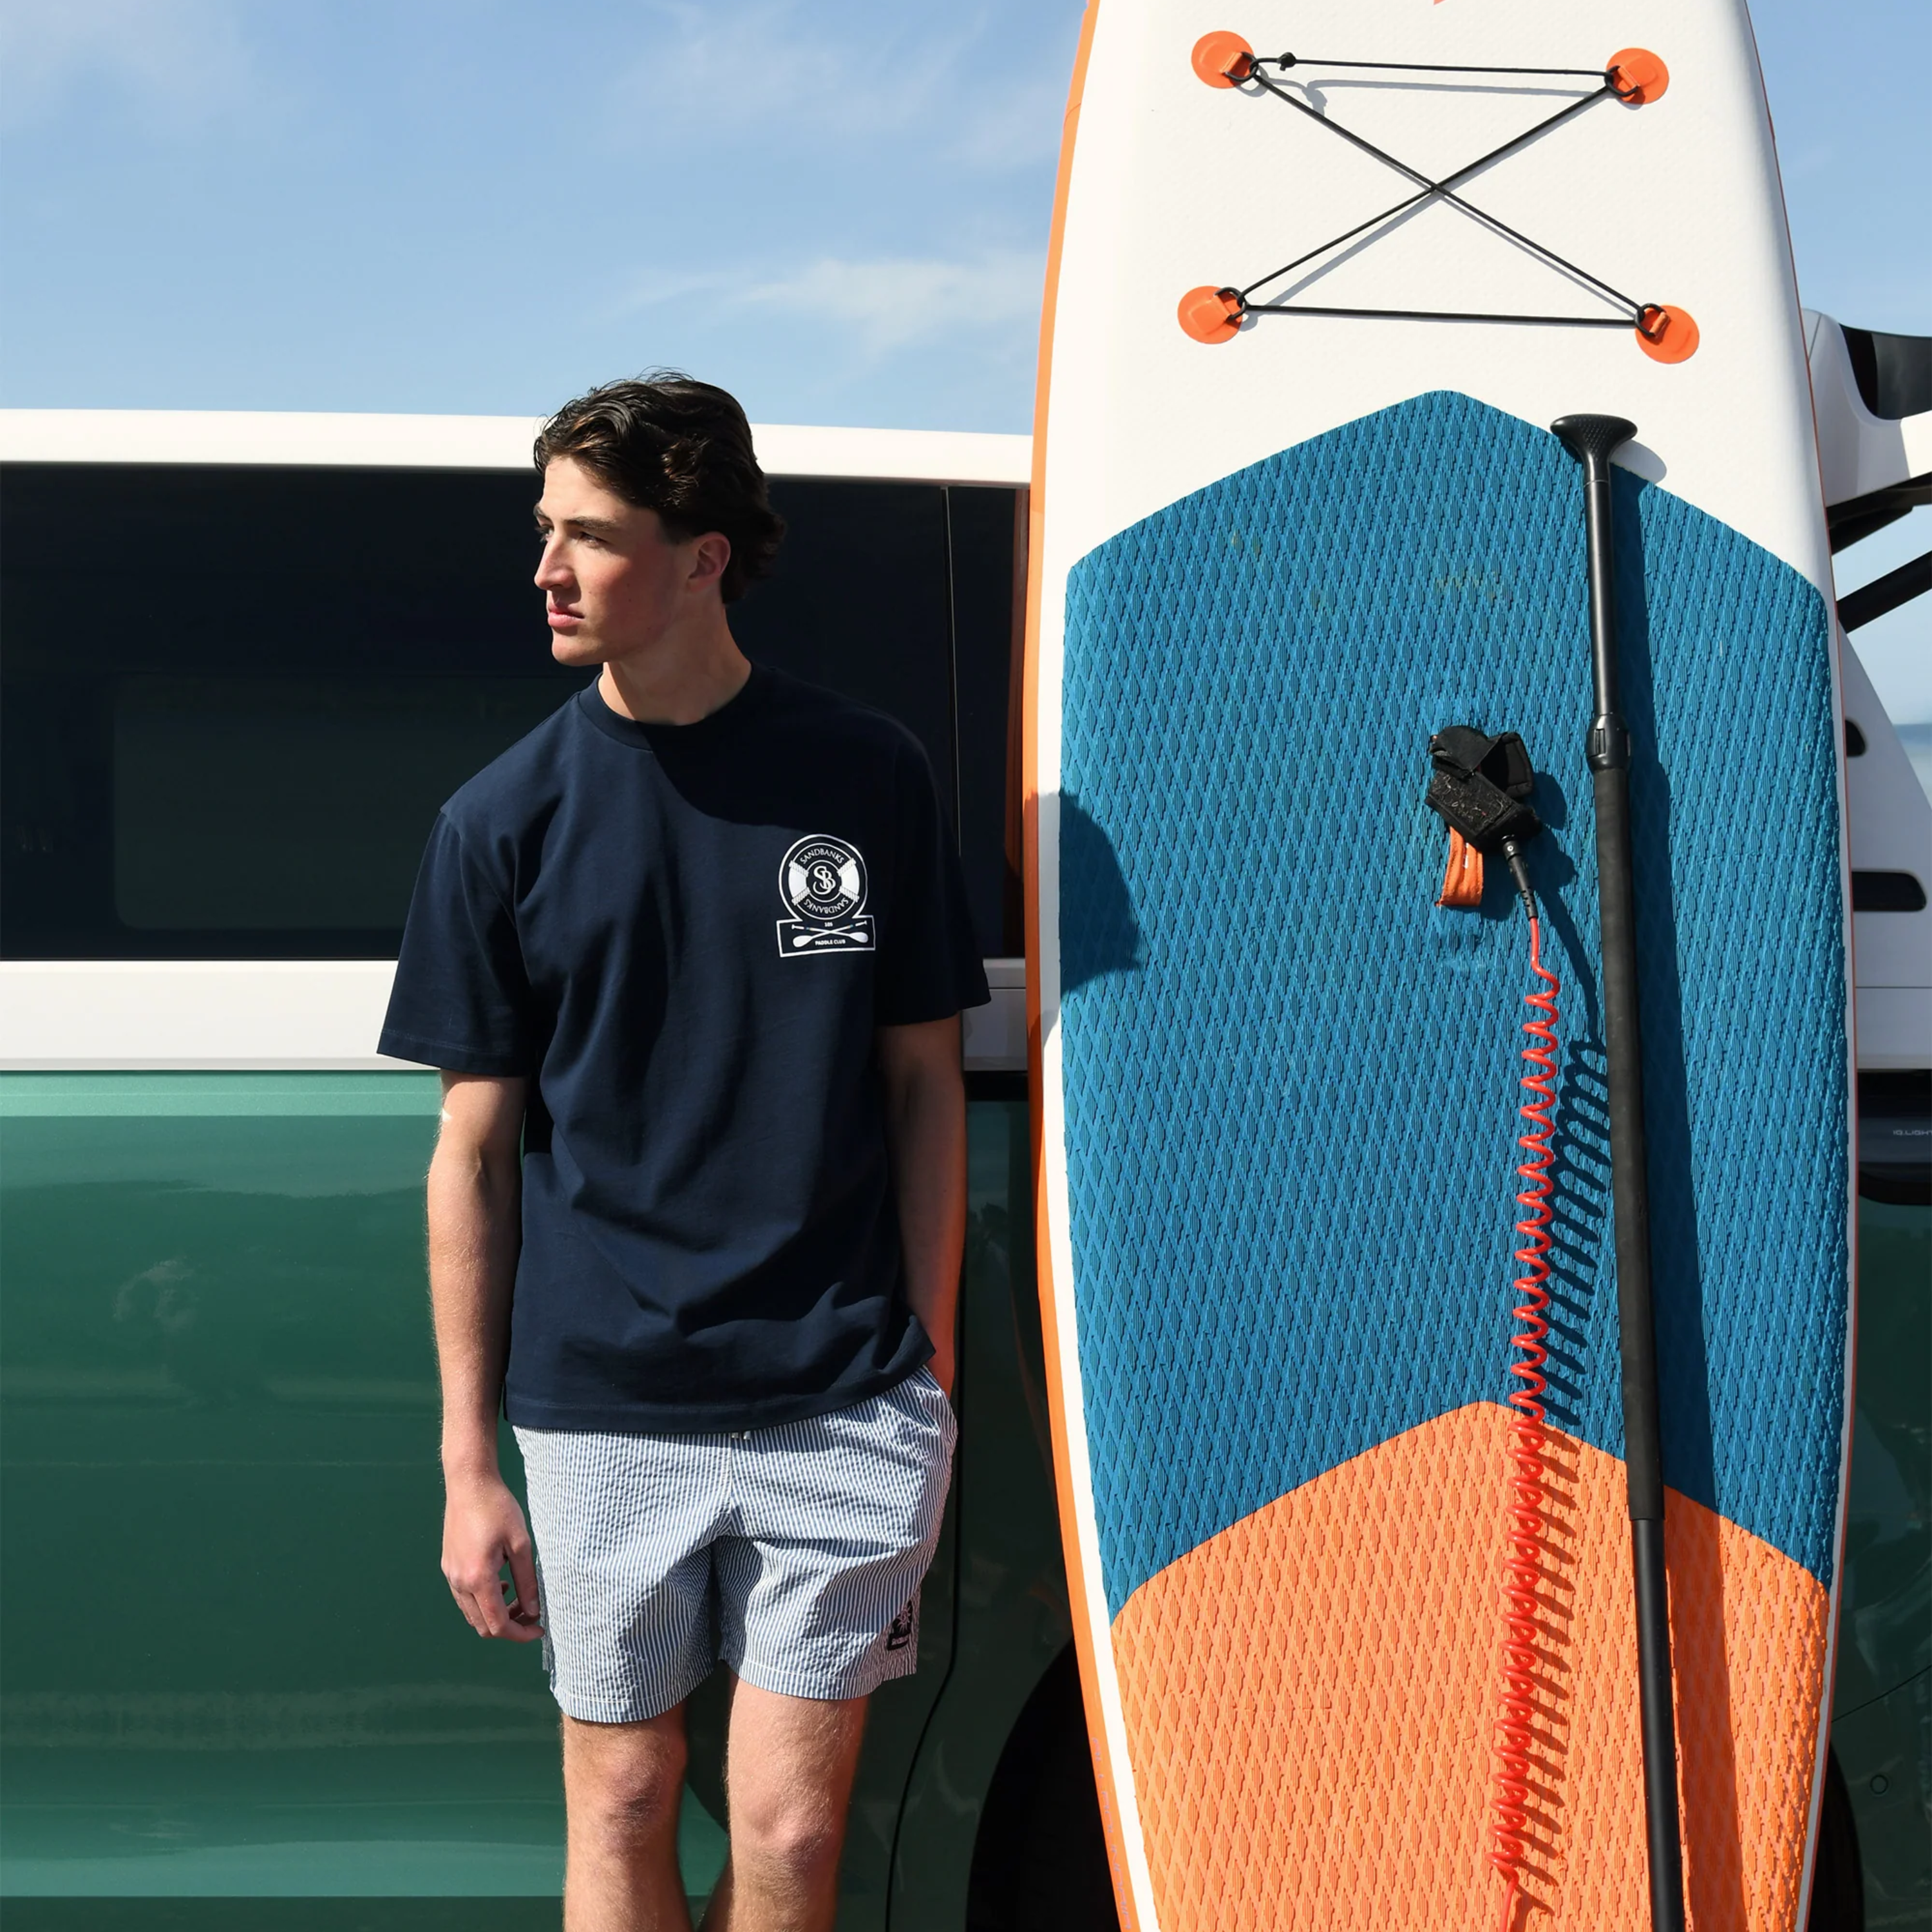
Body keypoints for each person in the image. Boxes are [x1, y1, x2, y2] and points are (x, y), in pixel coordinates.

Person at [378, 374, 988, 1931]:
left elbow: (925, 1084)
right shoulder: (497, 820)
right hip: (602, 1405)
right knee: (629, 1795)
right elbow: (473, 1156)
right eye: (543, 532)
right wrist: (467, 1466)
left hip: (845, 1390)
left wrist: (930, 1369)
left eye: (590, 535)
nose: (547, 570)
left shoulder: (865, 780)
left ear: (707, 555)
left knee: (787, 1836)